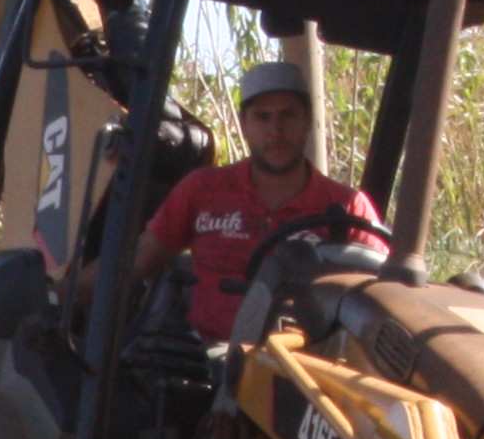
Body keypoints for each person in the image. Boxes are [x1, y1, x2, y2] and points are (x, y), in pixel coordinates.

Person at [137, 59, 380, 340]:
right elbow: (136, 262)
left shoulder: (347, 206)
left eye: (287, 115)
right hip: (202, 362)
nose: (275, 130)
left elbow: (386, 292)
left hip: (302, 367)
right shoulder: (201, 189)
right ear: (244, 124)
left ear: (308, 120)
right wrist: (74, 290)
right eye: (263, 117)